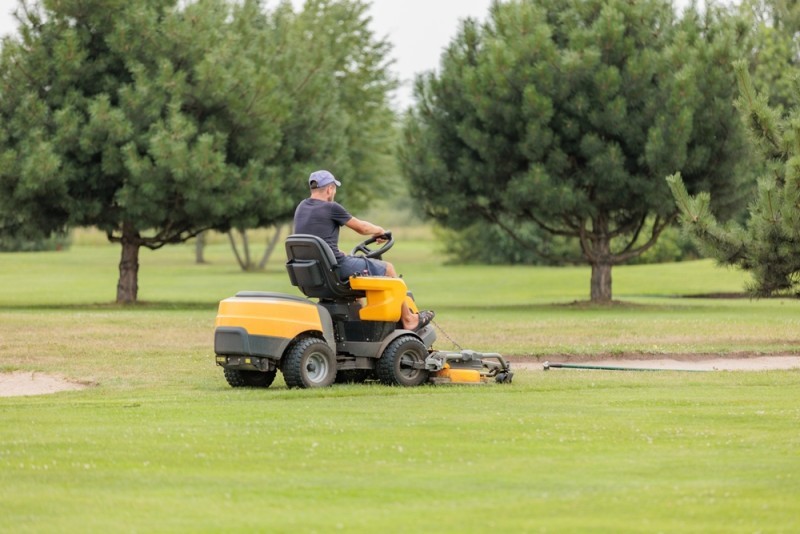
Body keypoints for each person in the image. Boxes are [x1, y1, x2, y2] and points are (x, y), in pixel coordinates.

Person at [293, 170, 434, 332]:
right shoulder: (331, 208)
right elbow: (362, 227)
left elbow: (317, 238)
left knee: (357, 282)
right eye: (334, 188)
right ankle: (409, 319)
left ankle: (358, 327)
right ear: (330, 189)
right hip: (336, 269)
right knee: (388, 269)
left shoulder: (301, 207)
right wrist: (380, 231)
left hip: (314, 273)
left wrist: (337, 253)